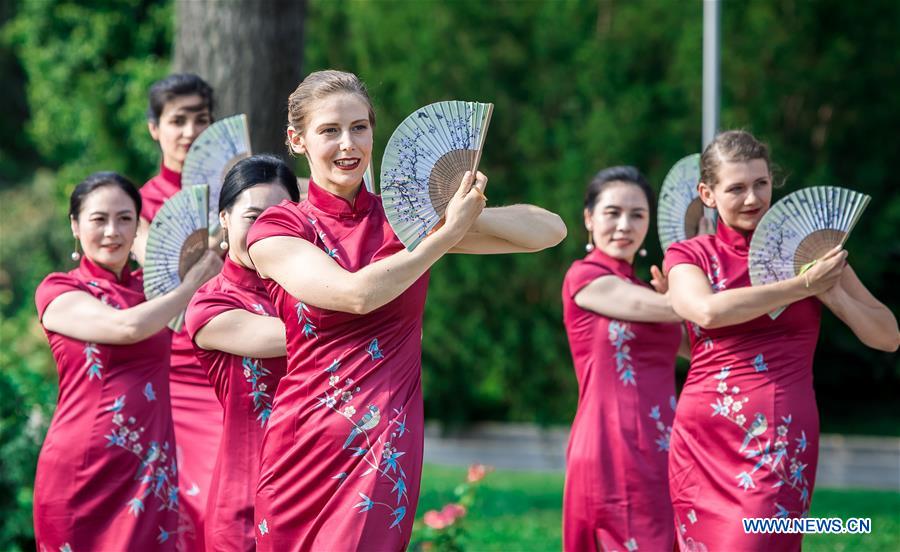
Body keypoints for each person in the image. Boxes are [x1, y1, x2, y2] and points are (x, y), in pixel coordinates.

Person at [246, 69, 567, 551]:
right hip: (302, 443)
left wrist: (461, 212)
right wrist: (442, 237)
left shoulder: (405, 220)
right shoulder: (278, 228)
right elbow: (355, 295)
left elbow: (550, 230)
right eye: (329, 131)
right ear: (298, 140)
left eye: (359, 127)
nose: (348, 143)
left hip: (382, 441)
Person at [664, 130, 899, 550]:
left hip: (778, 436)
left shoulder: (810, 252)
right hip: (701, 440)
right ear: (708, 194)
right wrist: (799, 287)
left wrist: (832, 294)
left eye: (761, 184)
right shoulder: (689, 255)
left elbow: (888, 337)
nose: (752, 198)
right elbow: (705, 311)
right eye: (736, 188)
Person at [33, 172, 221, 551]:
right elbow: (128, 327)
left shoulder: (153, 290)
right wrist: (193, 282)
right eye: (98, 219)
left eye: (124, 219)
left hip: (149, 469)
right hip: (84, 470)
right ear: (75, 224)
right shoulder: (60, 290)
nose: (112, 232)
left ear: (138, 225)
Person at [561, 166, 685, 552]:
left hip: (666, 444)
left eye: (637, 214)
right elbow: (691, 309)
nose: (624, 225)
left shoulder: (653, 292)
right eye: (612, 212)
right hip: (609, 444)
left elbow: (701, 350)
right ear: (589, 219)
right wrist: (685, 295)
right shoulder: (586, 277)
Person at [184, 155, 299, 551]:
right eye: (252, 217)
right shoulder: (210, 305)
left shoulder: (312, 290)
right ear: (225, 219)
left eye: (280, 217)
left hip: (321, 489)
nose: (266, 231)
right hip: (246, 503)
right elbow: (299, 337)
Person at [130, 73, 222, 549]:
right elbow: (166, 265)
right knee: (185, 508)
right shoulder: (138, 206)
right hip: (176, 374)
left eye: (201, 120)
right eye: (177, 120)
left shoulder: (239, 194)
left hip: (233, 363)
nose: (190, 131)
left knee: (231, 507)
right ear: (154, 128)